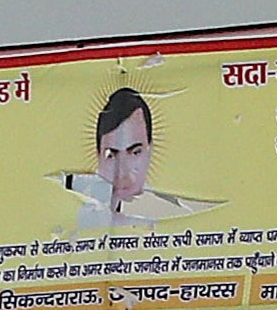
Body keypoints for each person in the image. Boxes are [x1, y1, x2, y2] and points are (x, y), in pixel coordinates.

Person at [63, 86, 212, 228]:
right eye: (111, 155)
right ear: (98, 155)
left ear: (150, 149)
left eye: (135, 152)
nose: (122, 172)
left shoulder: (171, 215)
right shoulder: (72, 209)